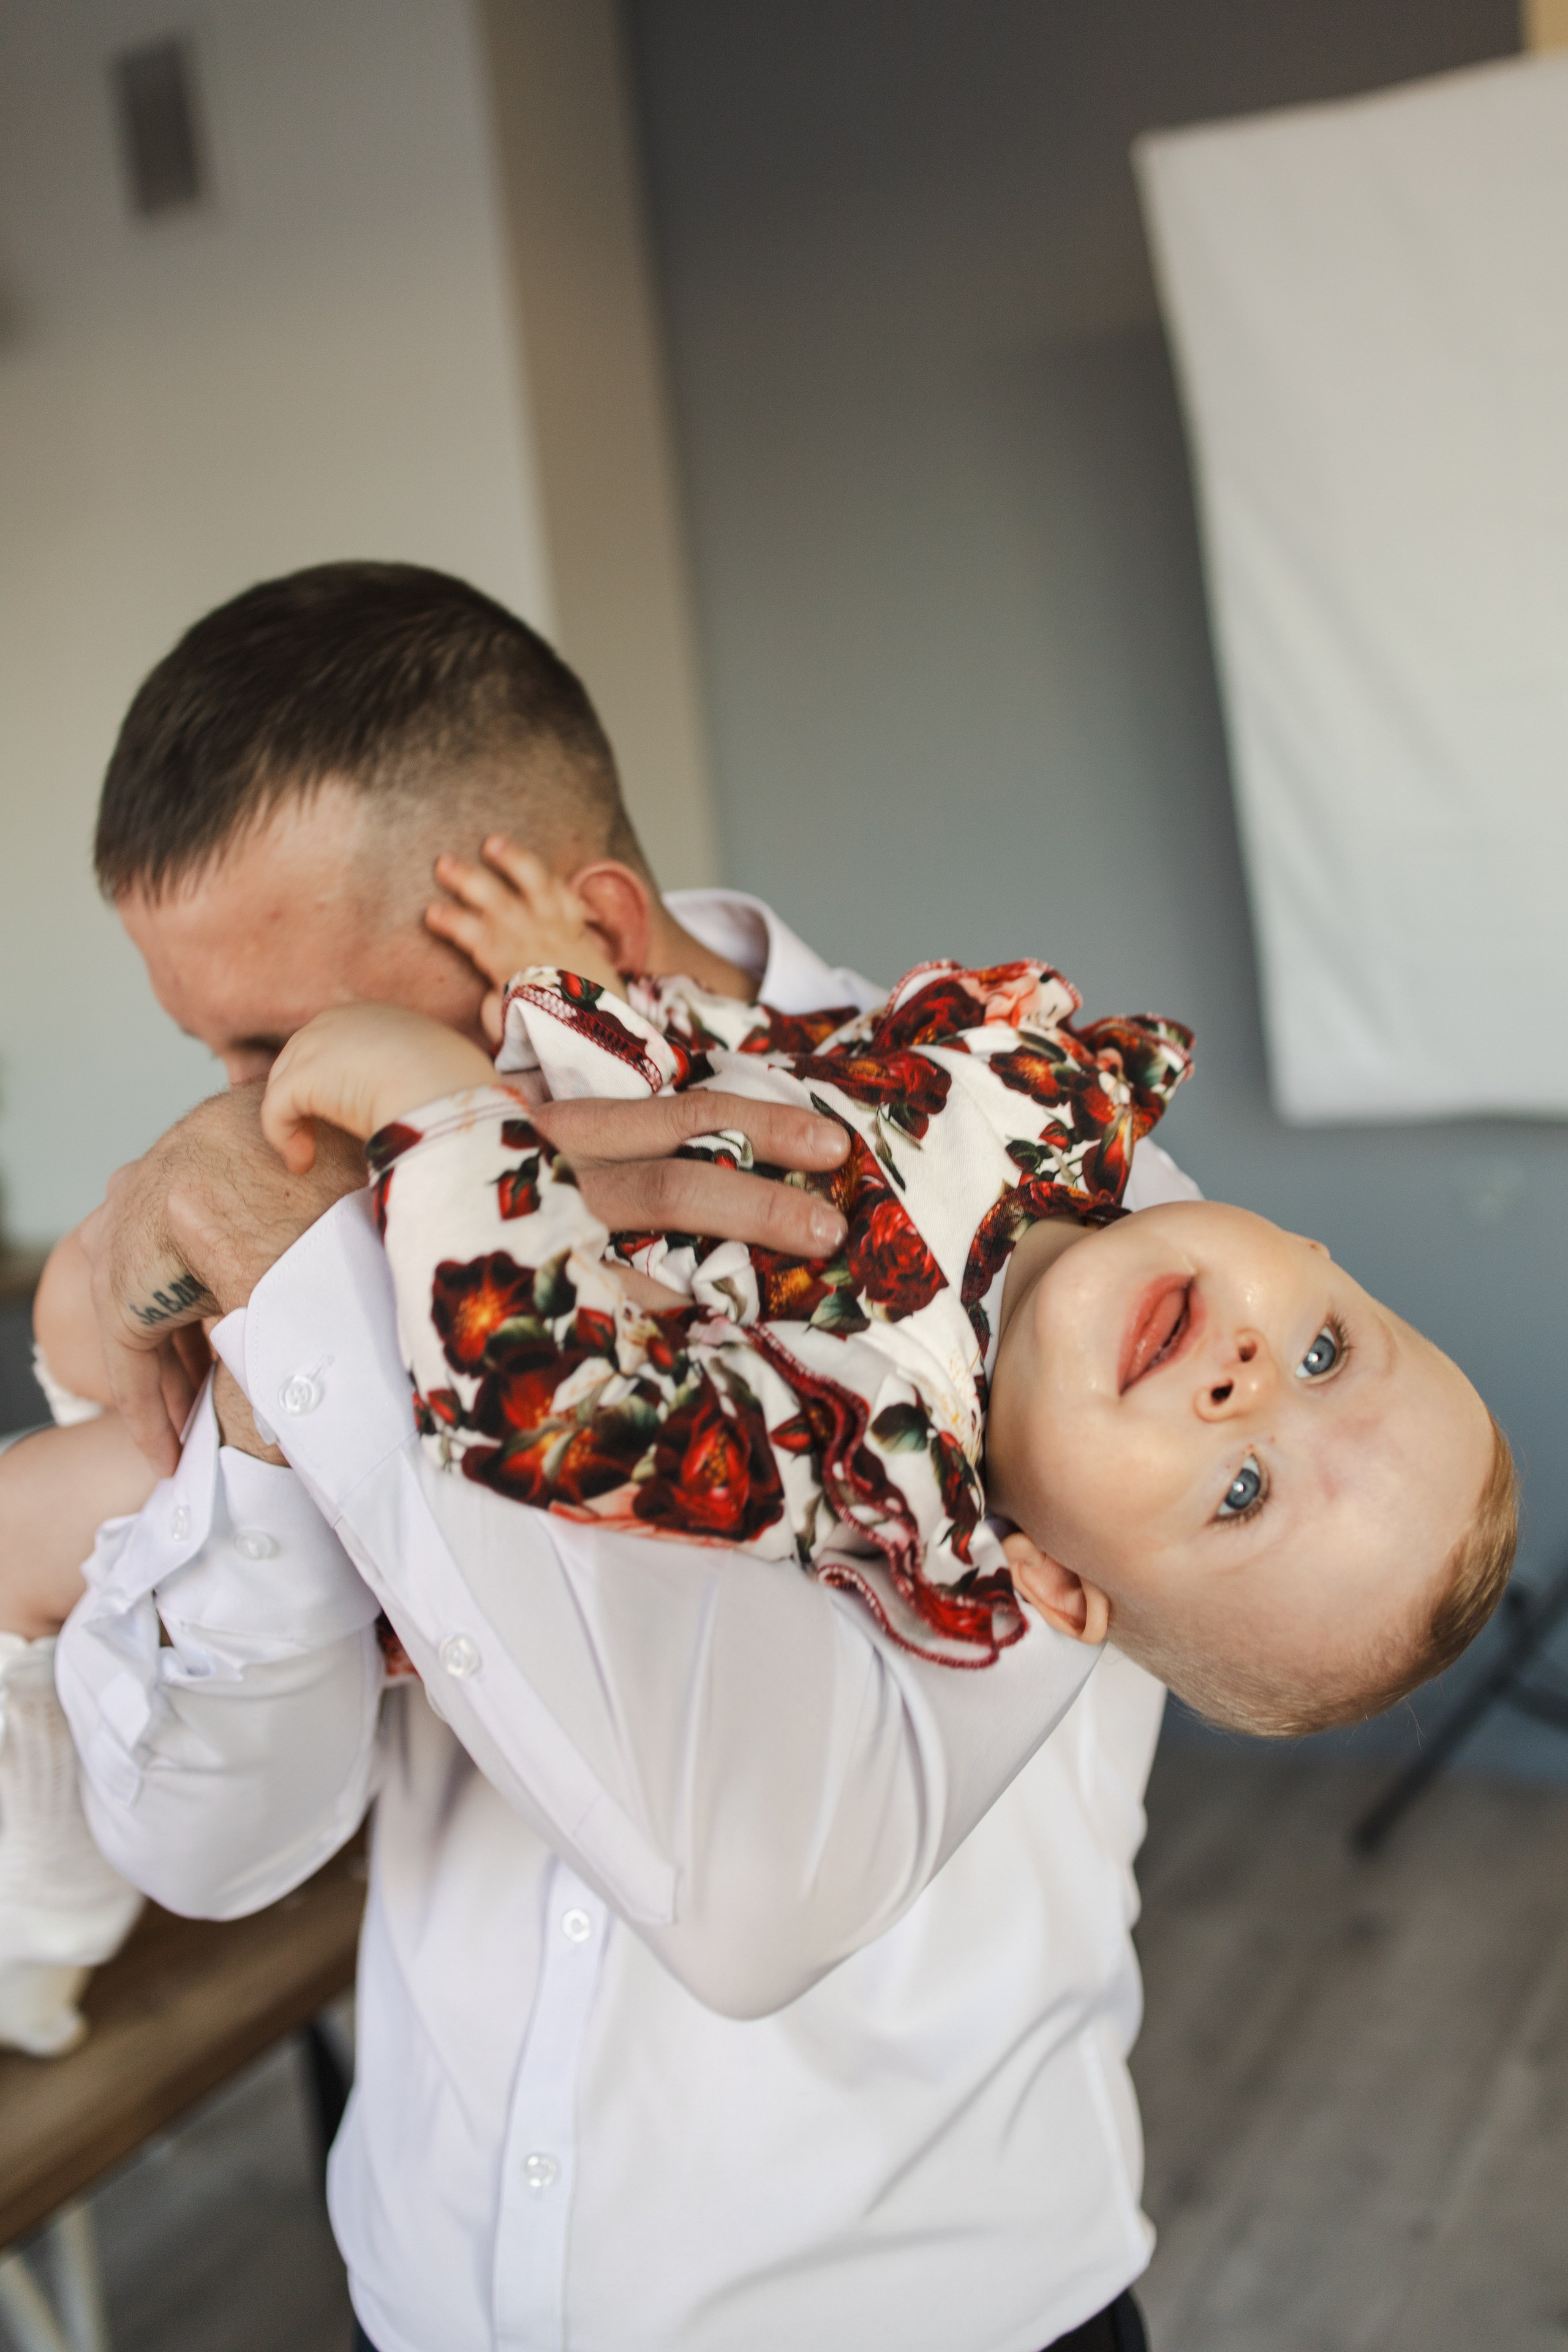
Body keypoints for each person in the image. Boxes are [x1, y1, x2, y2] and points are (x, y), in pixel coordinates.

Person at [20, 562, 1250, 2348]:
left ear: (567, 922)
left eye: (279, 1044)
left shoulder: (1070, 1232)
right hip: (429, 2292)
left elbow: (759, 1887)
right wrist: (277, 1392)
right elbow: (218, 1849)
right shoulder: (288, 1233)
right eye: (203, 1049)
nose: (236, 1113)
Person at [259, 894, 1512, 1738]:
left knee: (107, 1484)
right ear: (1306, 1252)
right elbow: (788, 1077)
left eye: (1240, 1492)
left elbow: (550, 1414)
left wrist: (438, 1105)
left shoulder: (854, 1446)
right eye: (1321, 1351)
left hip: (359, 1324)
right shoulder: (1043, 1101)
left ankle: (53, 1884)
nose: (1250, 1382)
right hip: (496, 1078)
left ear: (1054, 1588)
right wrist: (600, 993)